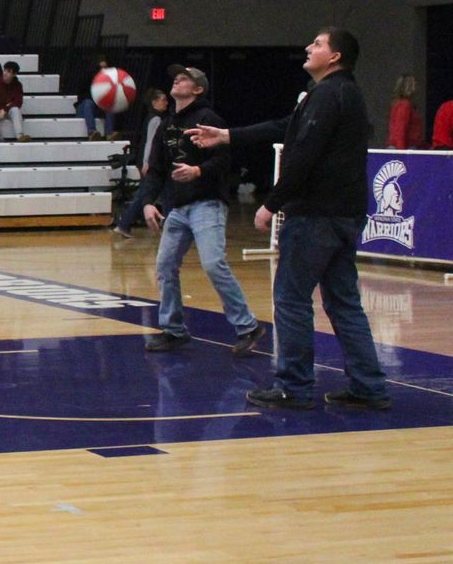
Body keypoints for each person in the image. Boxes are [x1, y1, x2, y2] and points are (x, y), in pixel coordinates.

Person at [189, 28, 390, 410]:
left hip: (316, 216)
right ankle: (369, 387)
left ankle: (293, 387)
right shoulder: (339, 94)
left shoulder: (330, 94)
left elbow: (303, 155)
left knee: (291, 300)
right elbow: (286, 127)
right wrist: (228, 135)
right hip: (345, 214)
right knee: (344, 303)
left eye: (317, 43)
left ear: (334, 57)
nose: (308, 47)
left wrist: (272, 203)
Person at [141, 65, 265, 357]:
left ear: (198, 89)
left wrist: (198, 170)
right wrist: (148, 202)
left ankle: (247, 326)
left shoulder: (208, 119)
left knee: (212, 264)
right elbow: (156, 170)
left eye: (184, 78)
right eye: (176, 77)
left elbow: (224, 162)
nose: (177, 80)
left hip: (207, 203)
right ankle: (173, 330)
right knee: (164, 266)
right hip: (178, 207)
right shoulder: (166, 124)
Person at [113, 88, 169, 237]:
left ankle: (125, 224)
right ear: (154, 102)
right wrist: (146, 162)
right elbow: (150, 142)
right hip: (150, 163)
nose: (166, 102)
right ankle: (124, 224)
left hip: (148, 162)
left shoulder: (152, 117)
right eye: (163, 99)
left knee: (152, 193)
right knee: (145, 194)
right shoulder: (156, 119)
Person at [75, 55, 117, 140]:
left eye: (105, 67)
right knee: (88, 103)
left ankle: (109, 133)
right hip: (85, 107)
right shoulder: (88, 78)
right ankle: (92, 132)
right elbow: (82, 96)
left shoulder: (110, 80)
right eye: (100, 67)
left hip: (98, 107)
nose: (103, 70)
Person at [0, 60, 30, 141]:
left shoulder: (17, 85)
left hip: (9, 110)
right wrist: (3, 108)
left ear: (14, 74)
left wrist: (5, 109)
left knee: (15, 110)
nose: (5, 73)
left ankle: (20, 136)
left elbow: (18, 102)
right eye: (5, 70)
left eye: (9, 72)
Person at [388, 74, 424, 149]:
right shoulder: (404, 105)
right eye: (414, 84)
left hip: (407, 147)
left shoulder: (404, 104)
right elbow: (400, 129)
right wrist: (401, 153)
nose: (417, 87)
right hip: (405, 148)